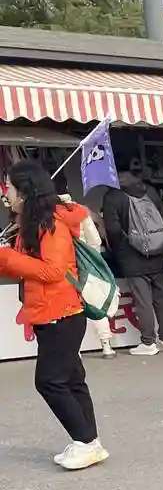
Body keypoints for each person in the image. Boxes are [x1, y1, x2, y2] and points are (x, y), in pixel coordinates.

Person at [0, 160, 108, 469]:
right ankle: (90, 442)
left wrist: (6, 256)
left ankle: (85, 441)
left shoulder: (52, 224)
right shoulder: (31, 224)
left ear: (25, 192)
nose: (5, 194)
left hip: (61, 314)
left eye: (9, 187)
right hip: (50, 313)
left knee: (49, 381)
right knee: (72, 380)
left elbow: (53, 271)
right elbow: (27, 269)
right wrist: (7, 256)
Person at [102, 160, 163, 356]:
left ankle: (148, 342)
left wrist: (120, 248)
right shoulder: (149, 190)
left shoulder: (112, 196)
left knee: (143, 300)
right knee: (161, 298)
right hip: (158, 253)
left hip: (132, 257)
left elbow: (113, 230)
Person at [56, 171, 115, 359]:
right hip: (84, 267)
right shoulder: (80, 210)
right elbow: (95, 240)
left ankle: (75, 351)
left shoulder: (48, 214)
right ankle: (106, 346)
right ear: (67, 187)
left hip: (62, 269)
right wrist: (91, 260)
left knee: (69, 310)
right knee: (94, 302)